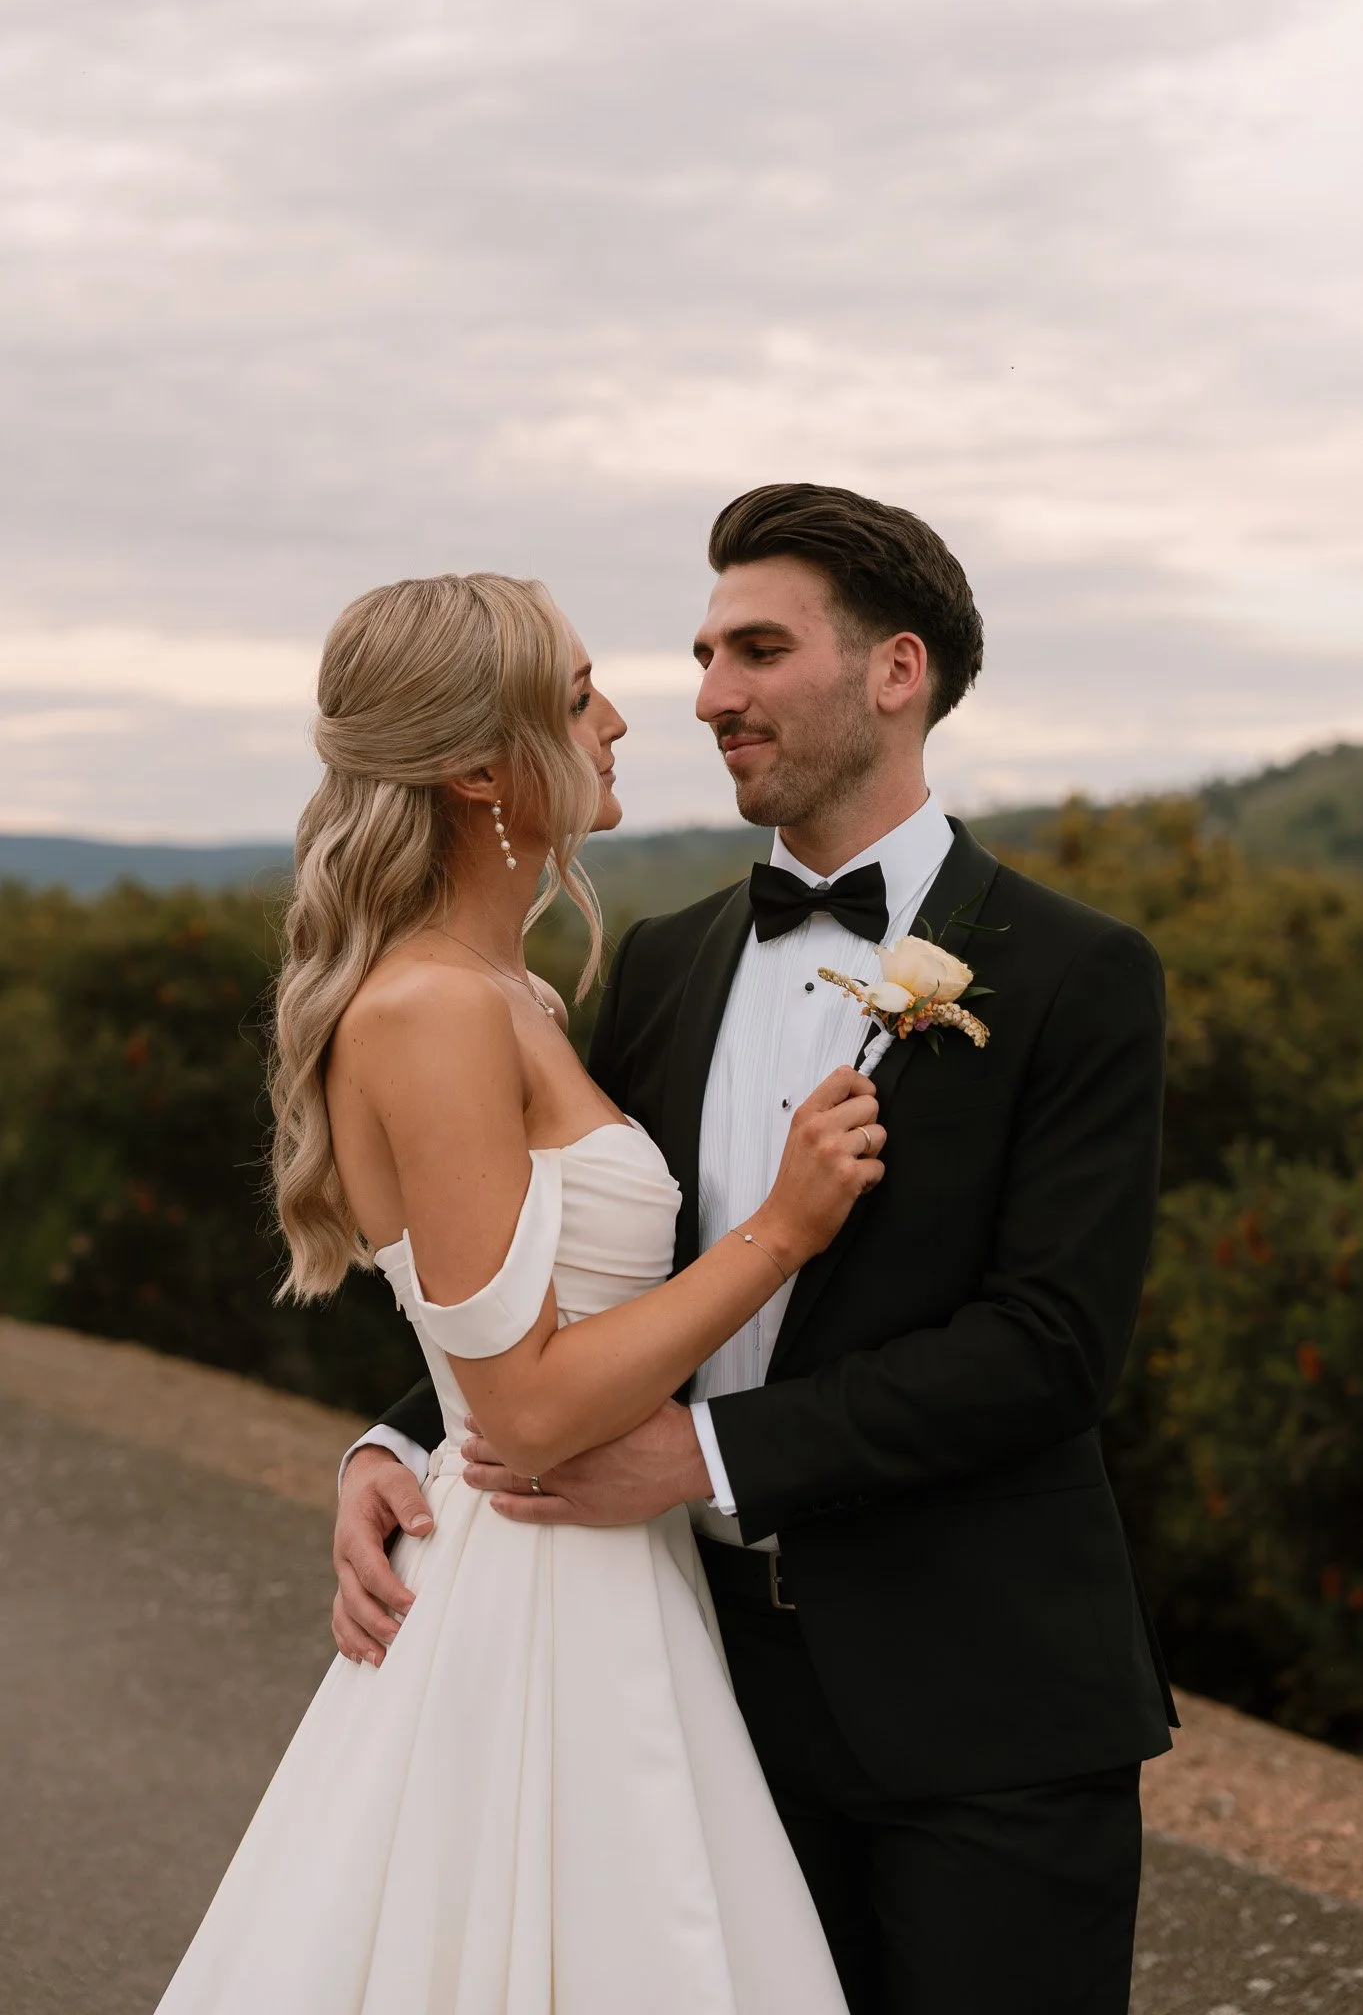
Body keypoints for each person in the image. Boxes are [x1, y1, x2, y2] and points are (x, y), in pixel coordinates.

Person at [337, 484, 1179, 2015]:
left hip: (983, 1717)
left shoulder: (1078, 976)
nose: (710, 696)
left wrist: (705, 1458)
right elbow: (569, 1268)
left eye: (759, 650)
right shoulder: (664, 963)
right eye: (705, 652)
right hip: (689, 1699)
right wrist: (403, 1445)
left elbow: (1049, 1349)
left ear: (895, 671)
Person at [155, 570, 881, 2014]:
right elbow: (534, 1403)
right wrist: (781, 1236)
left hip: (617, 1579)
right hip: (538, 1595)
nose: (619, 719)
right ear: (482, 764)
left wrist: (388, 1434)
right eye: (574, 694)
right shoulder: (430, 1013)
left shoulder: (516, 997)